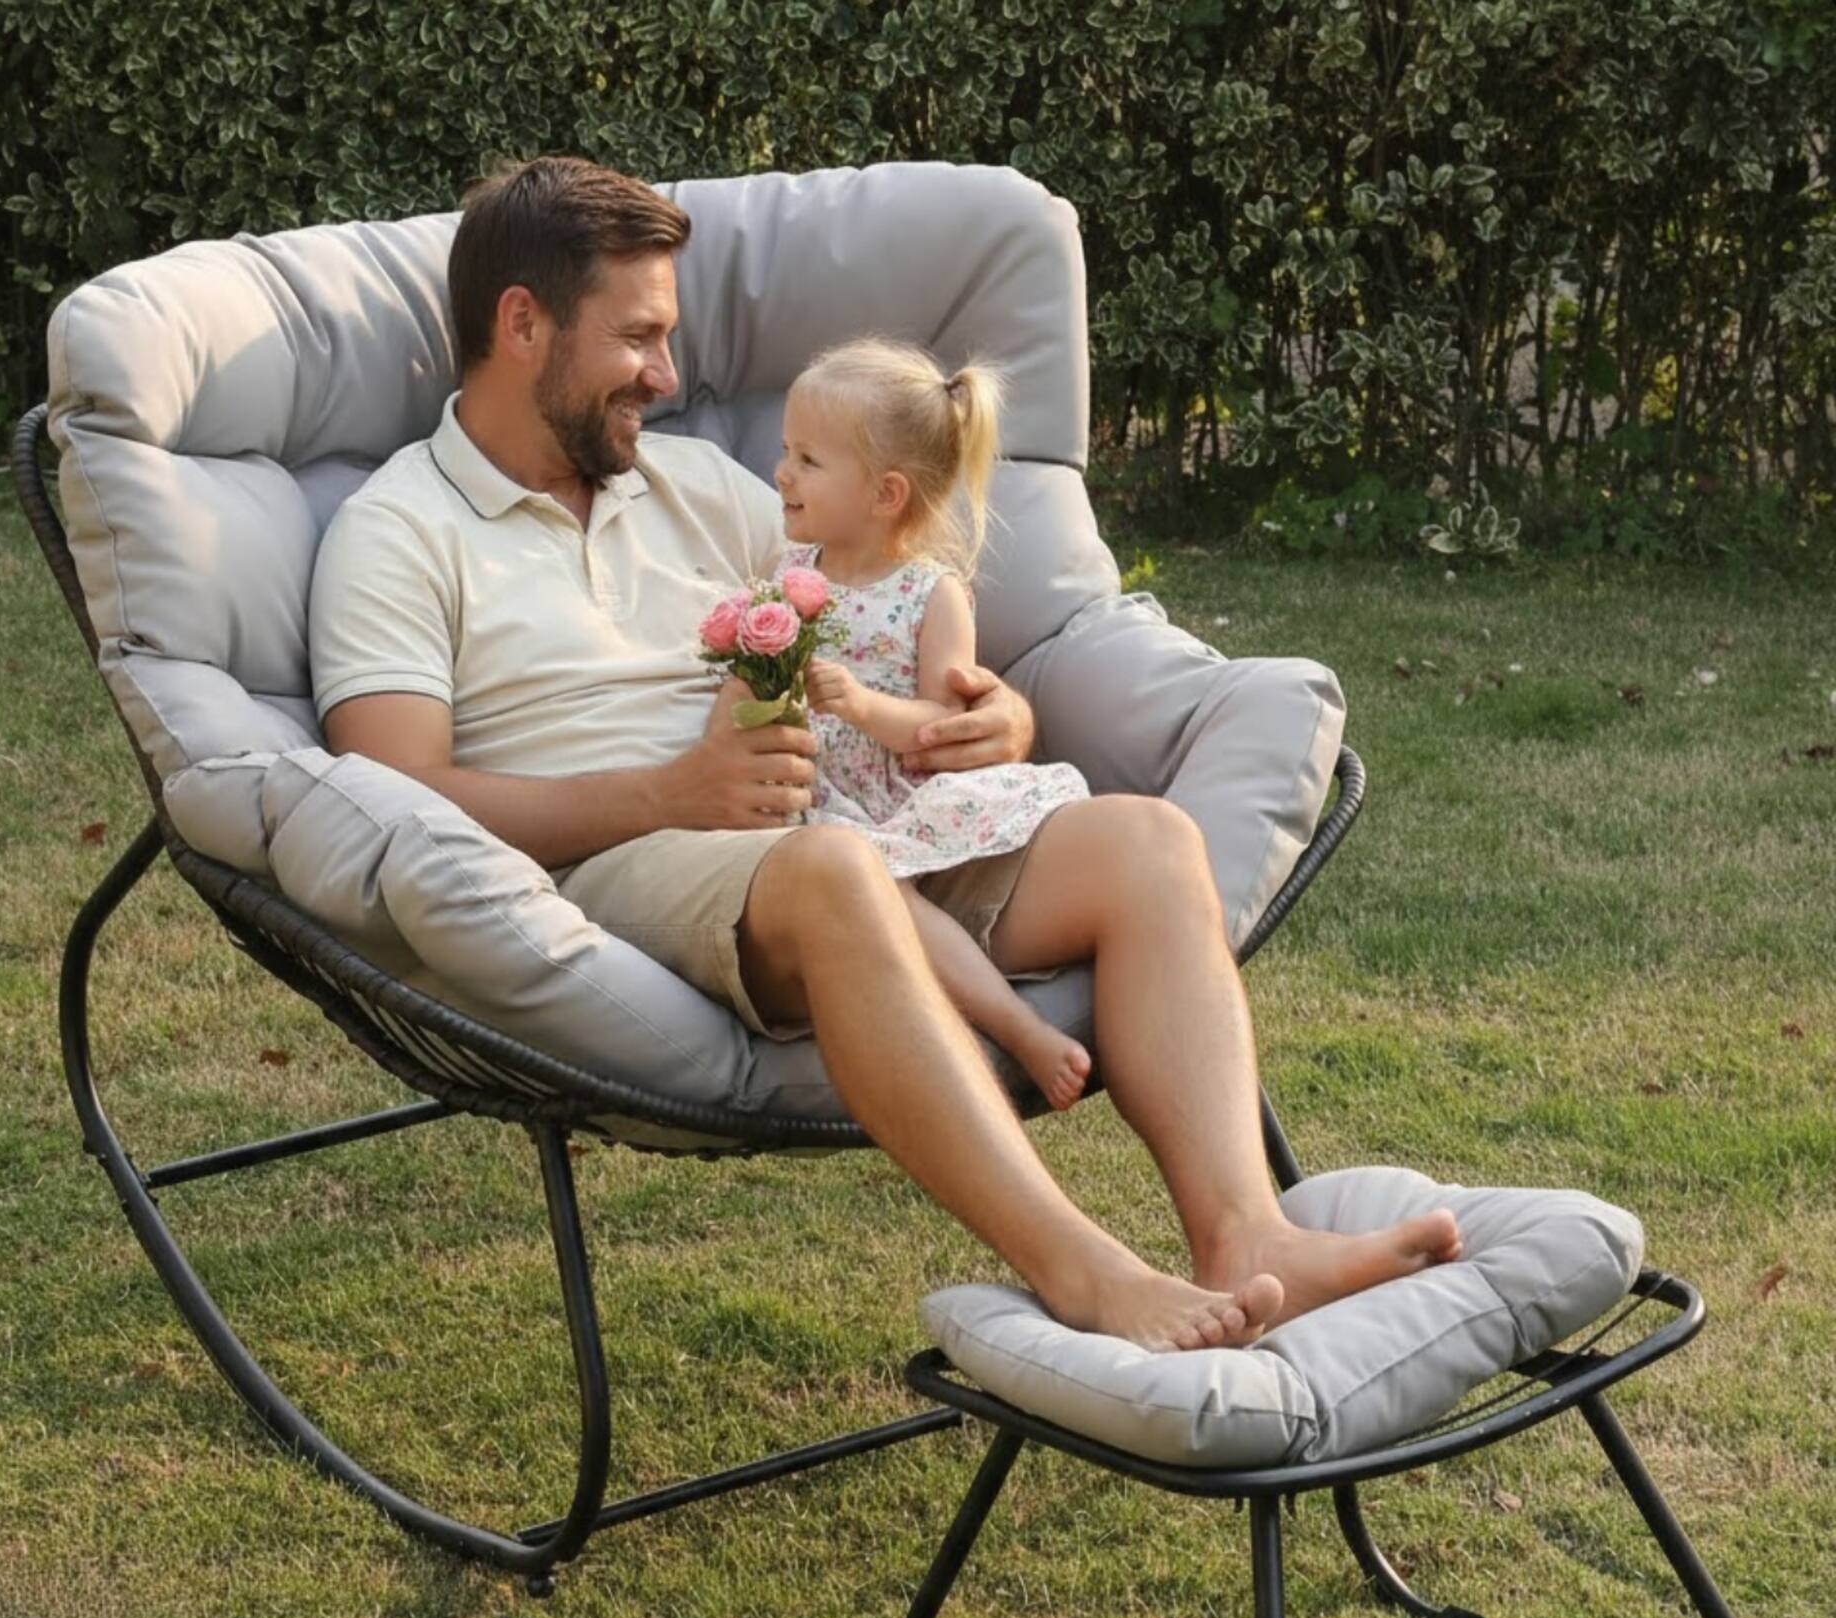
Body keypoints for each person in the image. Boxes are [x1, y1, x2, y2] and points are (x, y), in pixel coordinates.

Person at [309, 155, 1462, 1355]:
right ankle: (1084, 1273)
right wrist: (666, 792)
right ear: (521, 323)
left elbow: (888, 594)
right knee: (830, 869)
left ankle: (1248, 1236)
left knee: (1146, 842)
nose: (667, 374)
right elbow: (395, 798)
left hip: (836, 817)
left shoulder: (692, 486)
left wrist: (993, 712)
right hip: (622, 862)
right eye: (639, 338)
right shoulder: (399, 532)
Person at [773, 337, 1094, 1110]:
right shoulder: (793, 578)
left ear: (886, 494)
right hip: (818, 804)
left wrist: (859, 704)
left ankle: (1018, 1030)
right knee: (872, 893)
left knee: (895, 903)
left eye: (808, 461)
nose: (782, 473)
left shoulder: (930, 591)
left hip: (892, 796)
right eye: (785, 452)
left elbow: (943, 721)